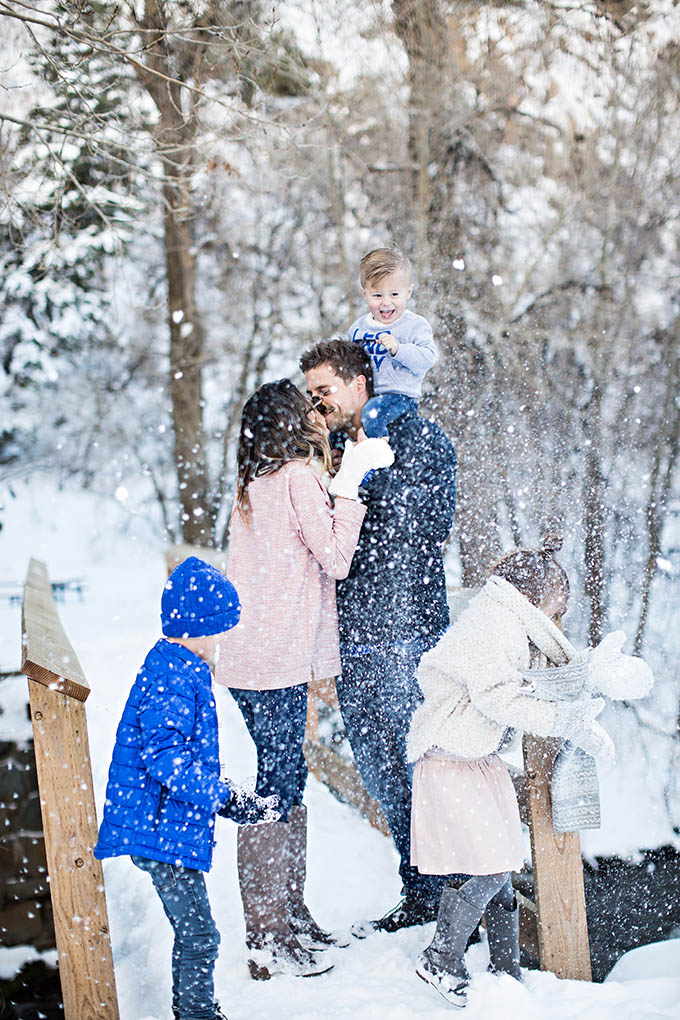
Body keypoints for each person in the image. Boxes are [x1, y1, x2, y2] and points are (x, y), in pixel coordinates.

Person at [214, 378, 393, 980]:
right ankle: (270, 934)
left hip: (250, 656)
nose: (319, 415)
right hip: (277, 659)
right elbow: (337, 557)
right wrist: (349, 486)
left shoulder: (251, 482)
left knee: (280, 781)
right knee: (280, 787)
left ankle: (287, 916)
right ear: (293, 423)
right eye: (309, 409)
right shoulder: (294, 479)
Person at [406, 537, 632, 1007]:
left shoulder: (503, 617)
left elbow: (513, 683)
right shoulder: (494, 626)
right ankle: (441, 958)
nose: (555, 621)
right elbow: (499, 697)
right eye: (556, 610)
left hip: (472, 758)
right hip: (451, 757)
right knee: (491, 860)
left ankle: (506, 972)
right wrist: (560, 719)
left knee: (499, 855)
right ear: (537, 598)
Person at [301, 338, 457, 933]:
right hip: (355, 639)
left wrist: (362, 477)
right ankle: (419, 896)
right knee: (381, 774)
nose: (318, 406)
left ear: (359, 384)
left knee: (423, 771)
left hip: (408, 631)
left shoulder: (420, 439)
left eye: (325, 393)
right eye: (311, 397)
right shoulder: (331, 452)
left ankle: (455, 905)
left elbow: (426, 526)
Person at [95, 556, 279, 1020]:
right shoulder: (174, 676)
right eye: (218, 631)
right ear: (196, 629)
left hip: (162, 825)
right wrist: (225, 799)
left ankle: (194, 1008)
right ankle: (195, 1014)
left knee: (197, 931)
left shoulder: (177, 668)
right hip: (157, 830)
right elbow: (164, 758)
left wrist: (230, 794)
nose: (221, 642)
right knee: (200, 935)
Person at [346, 247, 437, 439]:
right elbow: (348, 364)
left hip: (400, 397)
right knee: (342, 423)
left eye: (394, 294)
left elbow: (428, 358)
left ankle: (378, 455)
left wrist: (398, 349)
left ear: (408, 292)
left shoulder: (414, 325)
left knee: (373, 414)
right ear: (365, 294)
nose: (386, 303)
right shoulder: (358, 329)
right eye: (377, 295)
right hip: (366, 397)